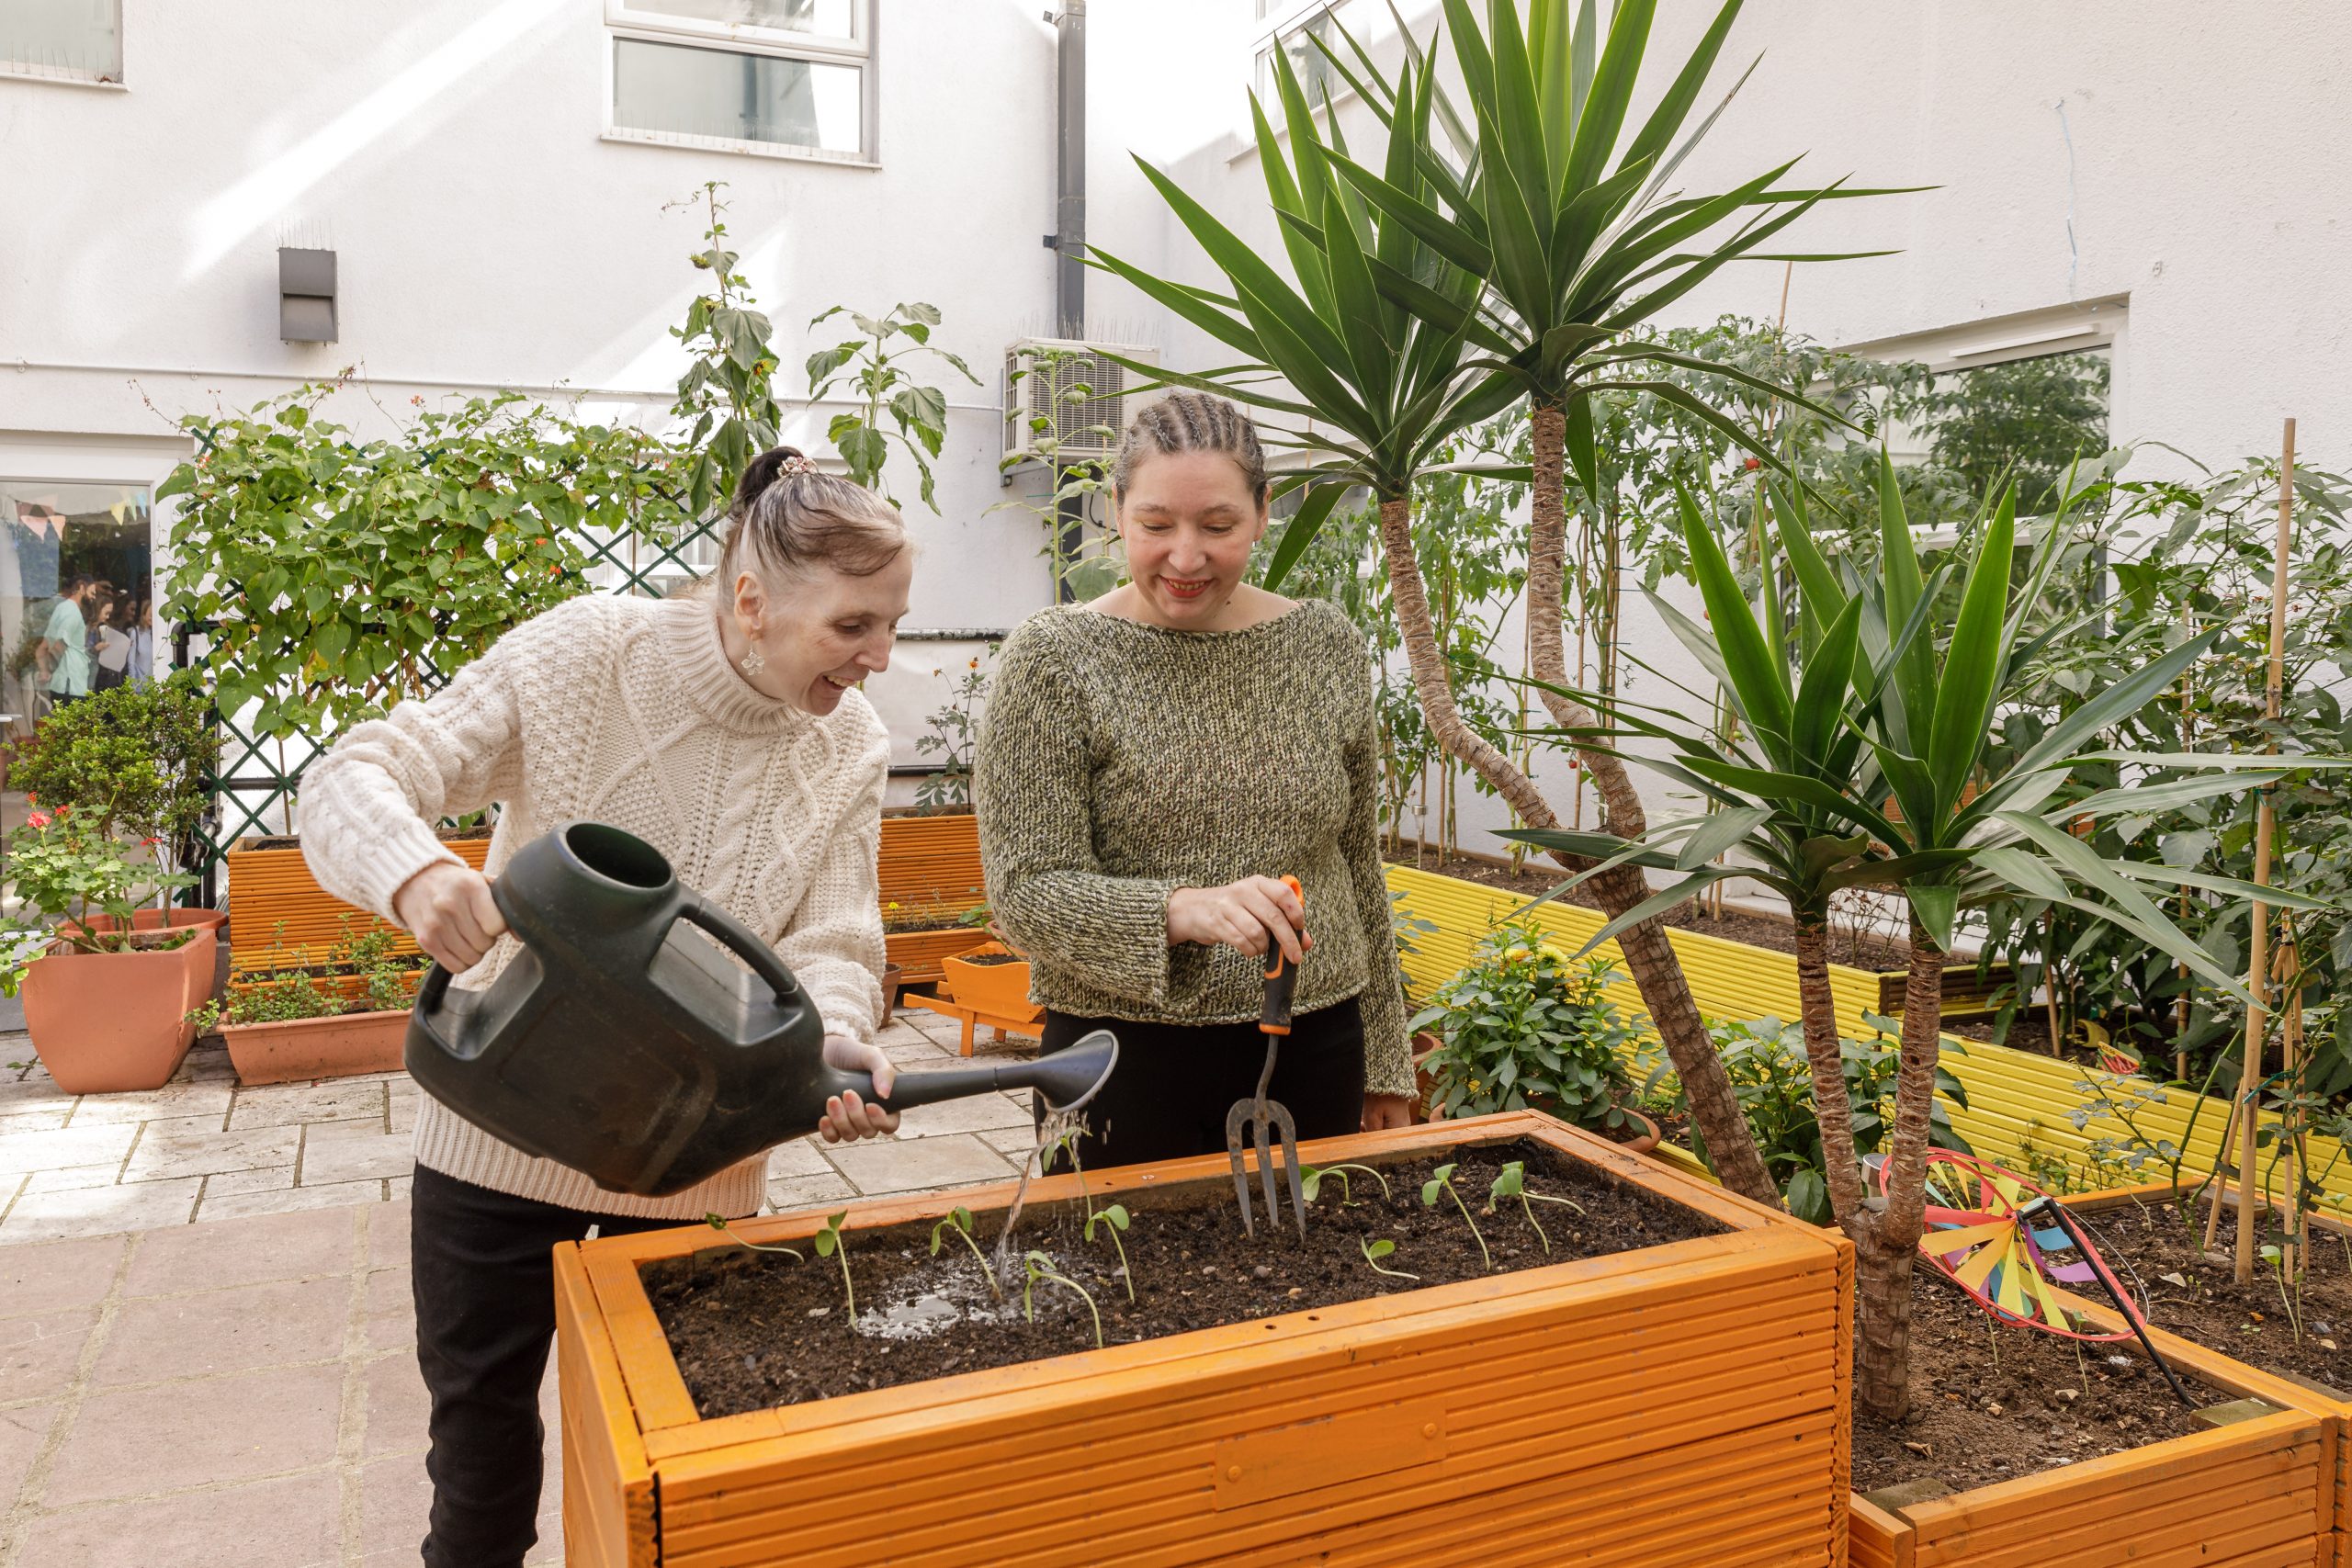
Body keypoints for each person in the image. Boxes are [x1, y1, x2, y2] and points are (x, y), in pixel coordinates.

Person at [301, 446, 912, 1568]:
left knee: (685, 1493)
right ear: (750, 600)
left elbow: (833, 936)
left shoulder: (851, 742)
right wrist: (416, 872)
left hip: (698, 1164)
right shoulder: (588, 653)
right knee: (481, 1480)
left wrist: (830, 1037)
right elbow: (354, 773)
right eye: (853, 626)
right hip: (497, 1142)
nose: (879, 658)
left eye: (893, 624)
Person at [974, 391, 1414, 1169]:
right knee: (1118, 1284)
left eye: (1218, 526)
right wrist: (1185, 911)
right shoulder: (1052, 660)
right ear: (1115, 510)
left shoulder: (1325, 646)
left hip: (1317, 1046)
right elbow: (1024, 891)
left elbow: (1355, 865)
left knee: (1321, 1276)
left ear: (1263, 512)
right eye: (1155, 525)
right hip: (1117, 1056)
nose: (1185, 558)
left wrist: (1386, 1060)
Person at [37, 575, 95, 712]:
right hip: (71, 686)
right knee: (74, 731)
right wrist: (51, 669)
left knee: (63, 731)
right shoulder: (72, 613)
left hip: (62, 685)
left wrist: (45, 671)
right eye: (92, 593)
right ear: (81, 588)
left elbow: (42, 648)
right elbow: (58, 646)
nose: (94, 598)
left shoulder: (61, 608)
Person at [91, 592, 130, 692]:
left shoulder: (109, 629)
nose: (108, 617)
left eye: (110, 614)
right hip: (95, 680)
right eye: (106, 613)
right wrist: (95, 649)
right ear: (97, 610)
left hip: (110, 680)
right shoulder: (88, 631)